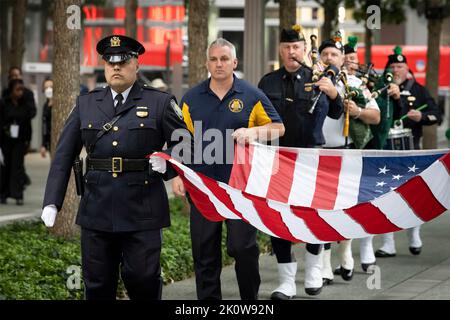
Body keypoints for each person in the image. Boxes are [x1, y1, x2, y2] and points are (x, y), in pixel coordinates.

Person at [40, 35, 192, 300]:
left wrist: (166, 161)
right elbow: (64, 154)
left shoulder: (159, 101)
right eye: (110, 63)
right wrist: (52, 201)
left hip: (142, 208)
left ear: (136, 64)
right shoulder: (87, 103)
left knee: (143, 280)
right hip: (97, 208)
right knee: (97, 284)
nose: (116, 67)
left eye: (123, 61)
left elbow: (188, 145)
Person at [171, 38, 285, 300]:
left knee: (242, 247)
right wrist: (179, 174)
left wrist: (254, 131)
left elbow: (278, 128)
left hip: (241, 186)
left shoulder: (251, 94)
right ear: (207, 63)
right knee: (204, 250)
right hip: (203, 186)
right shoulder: (191, 98)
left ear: (234, 62)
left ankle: (250, 301)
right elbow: (181, 139)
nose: (219, 64)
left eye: (224, 59)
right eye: (214, 59)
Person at [257, 25, 343, 299]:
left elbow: (338, 113)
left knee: (314, 213)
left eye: (296, 47)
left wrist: (332, 93)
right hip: (278, 156)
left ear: (304, 49)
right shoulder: (267, 82)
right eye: (287, 46)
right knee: (278, 216)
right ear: (280, 49)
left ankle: (315, 269)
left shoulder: (318, 78)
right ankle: (286, 279)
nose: (292, 51)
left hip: (311, 156)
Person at [374, 46, 442, 258]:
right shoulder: (380, 88)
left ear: (407, 68)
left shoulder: (418, 89)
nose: (396, 70)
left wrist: (420, 118)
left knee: (413, 194)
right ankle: (388, 243)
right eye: (392, 66)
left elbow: (436, 114)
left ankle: (414, 235)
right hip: (386, 150)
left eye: (400, 66)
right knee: (385, 194)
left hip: (411, 149)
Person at [0, 79, 36, 205]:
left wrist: (28, 141)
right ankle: (3, 194)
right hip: (6, 139)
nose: (20, 93)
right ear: (11, 90)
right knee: (5, 166)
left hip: (20, 140)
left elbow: (28, 121)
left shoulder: (24, 104)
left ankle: (18, 194)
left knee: (18, 167)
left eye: (22, 90)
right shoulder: (4, 103)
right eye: (17, 90)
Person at [40, 78, 53, 158]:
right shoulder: (46, 105)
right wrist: (44, 144)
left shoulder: (59, 105)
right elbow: (44, 125)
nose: (49, 89)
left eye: (51, 87)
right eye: (46, 87)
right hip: (51, 141)